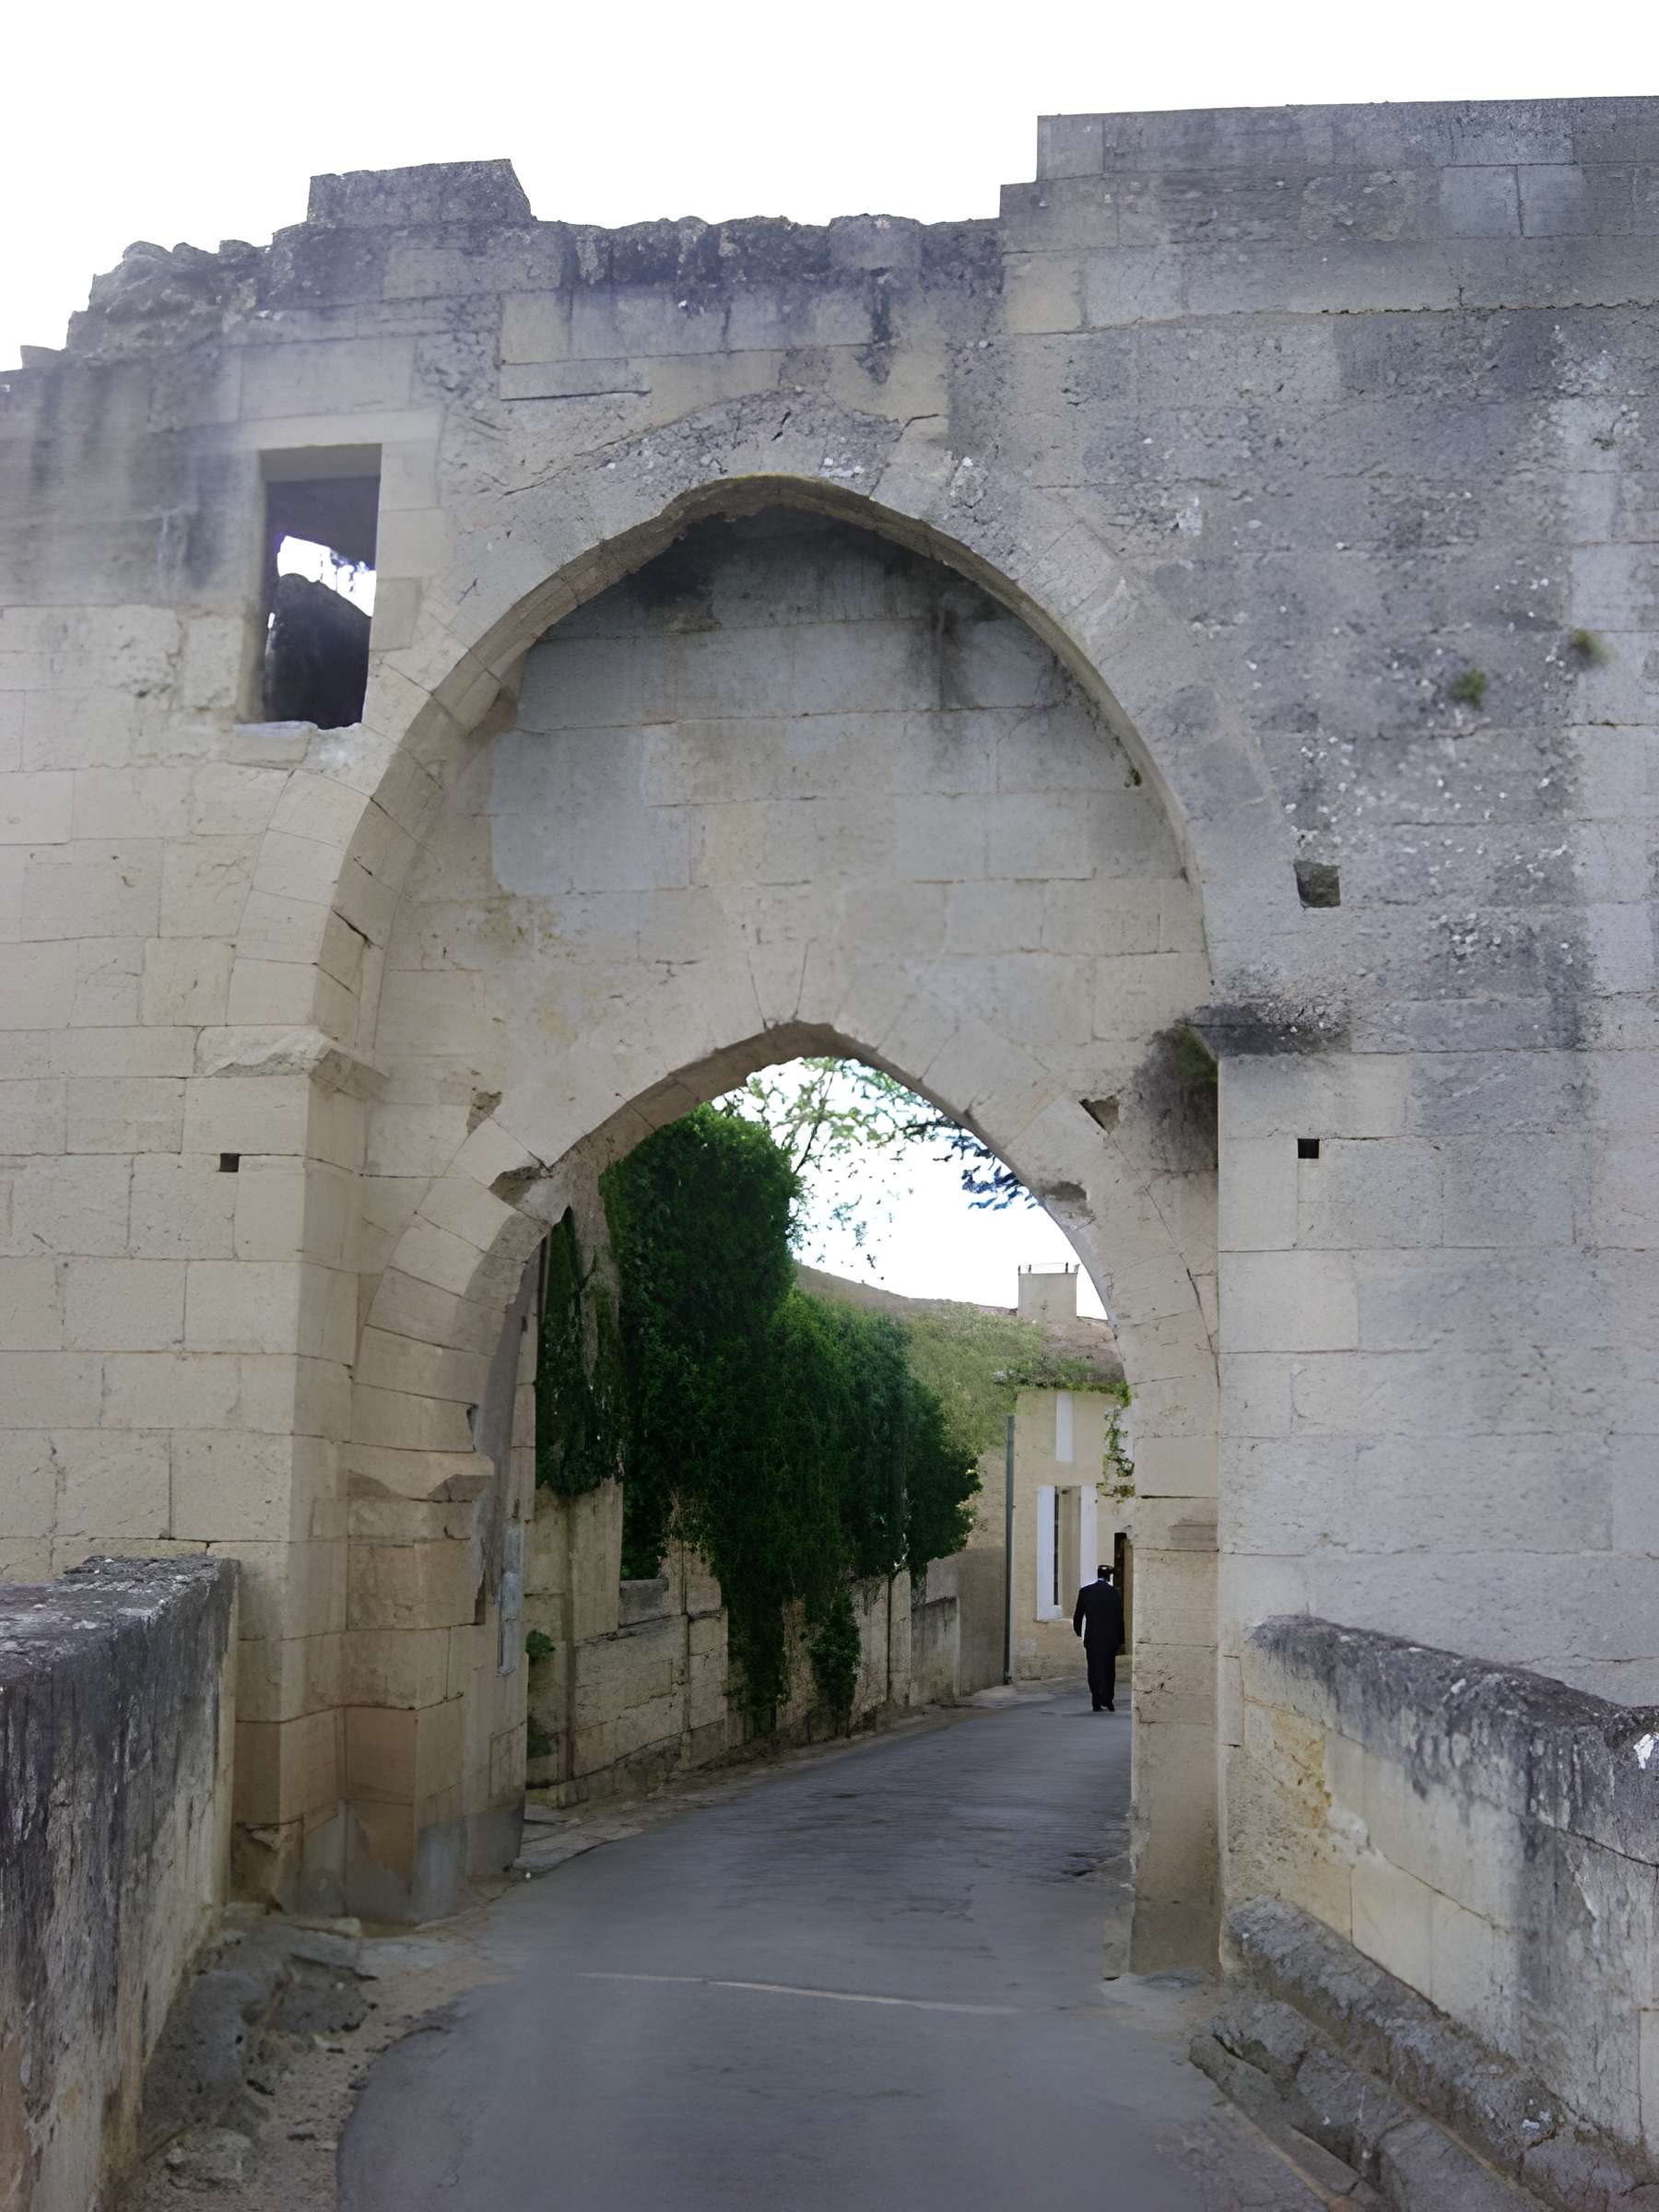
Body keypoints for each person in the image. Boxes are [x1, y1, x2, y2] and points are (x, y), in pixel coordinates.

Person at [1072, 1564, 1125, 1712]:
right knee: (1108, 1668)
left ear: (1097, 1575)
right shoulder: (1114, 1593)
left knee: (1094, 1667)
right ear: (1109, 1576)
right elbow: (1119, 1618)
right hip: (1110, 1639)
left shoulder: (1085, 1592)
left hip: (1092, 1637)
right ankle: (1108, 1699)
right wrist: (1121, 1638)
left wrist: (1078, 1632)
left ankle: (1096, 1698)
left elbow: (1078, 1615)